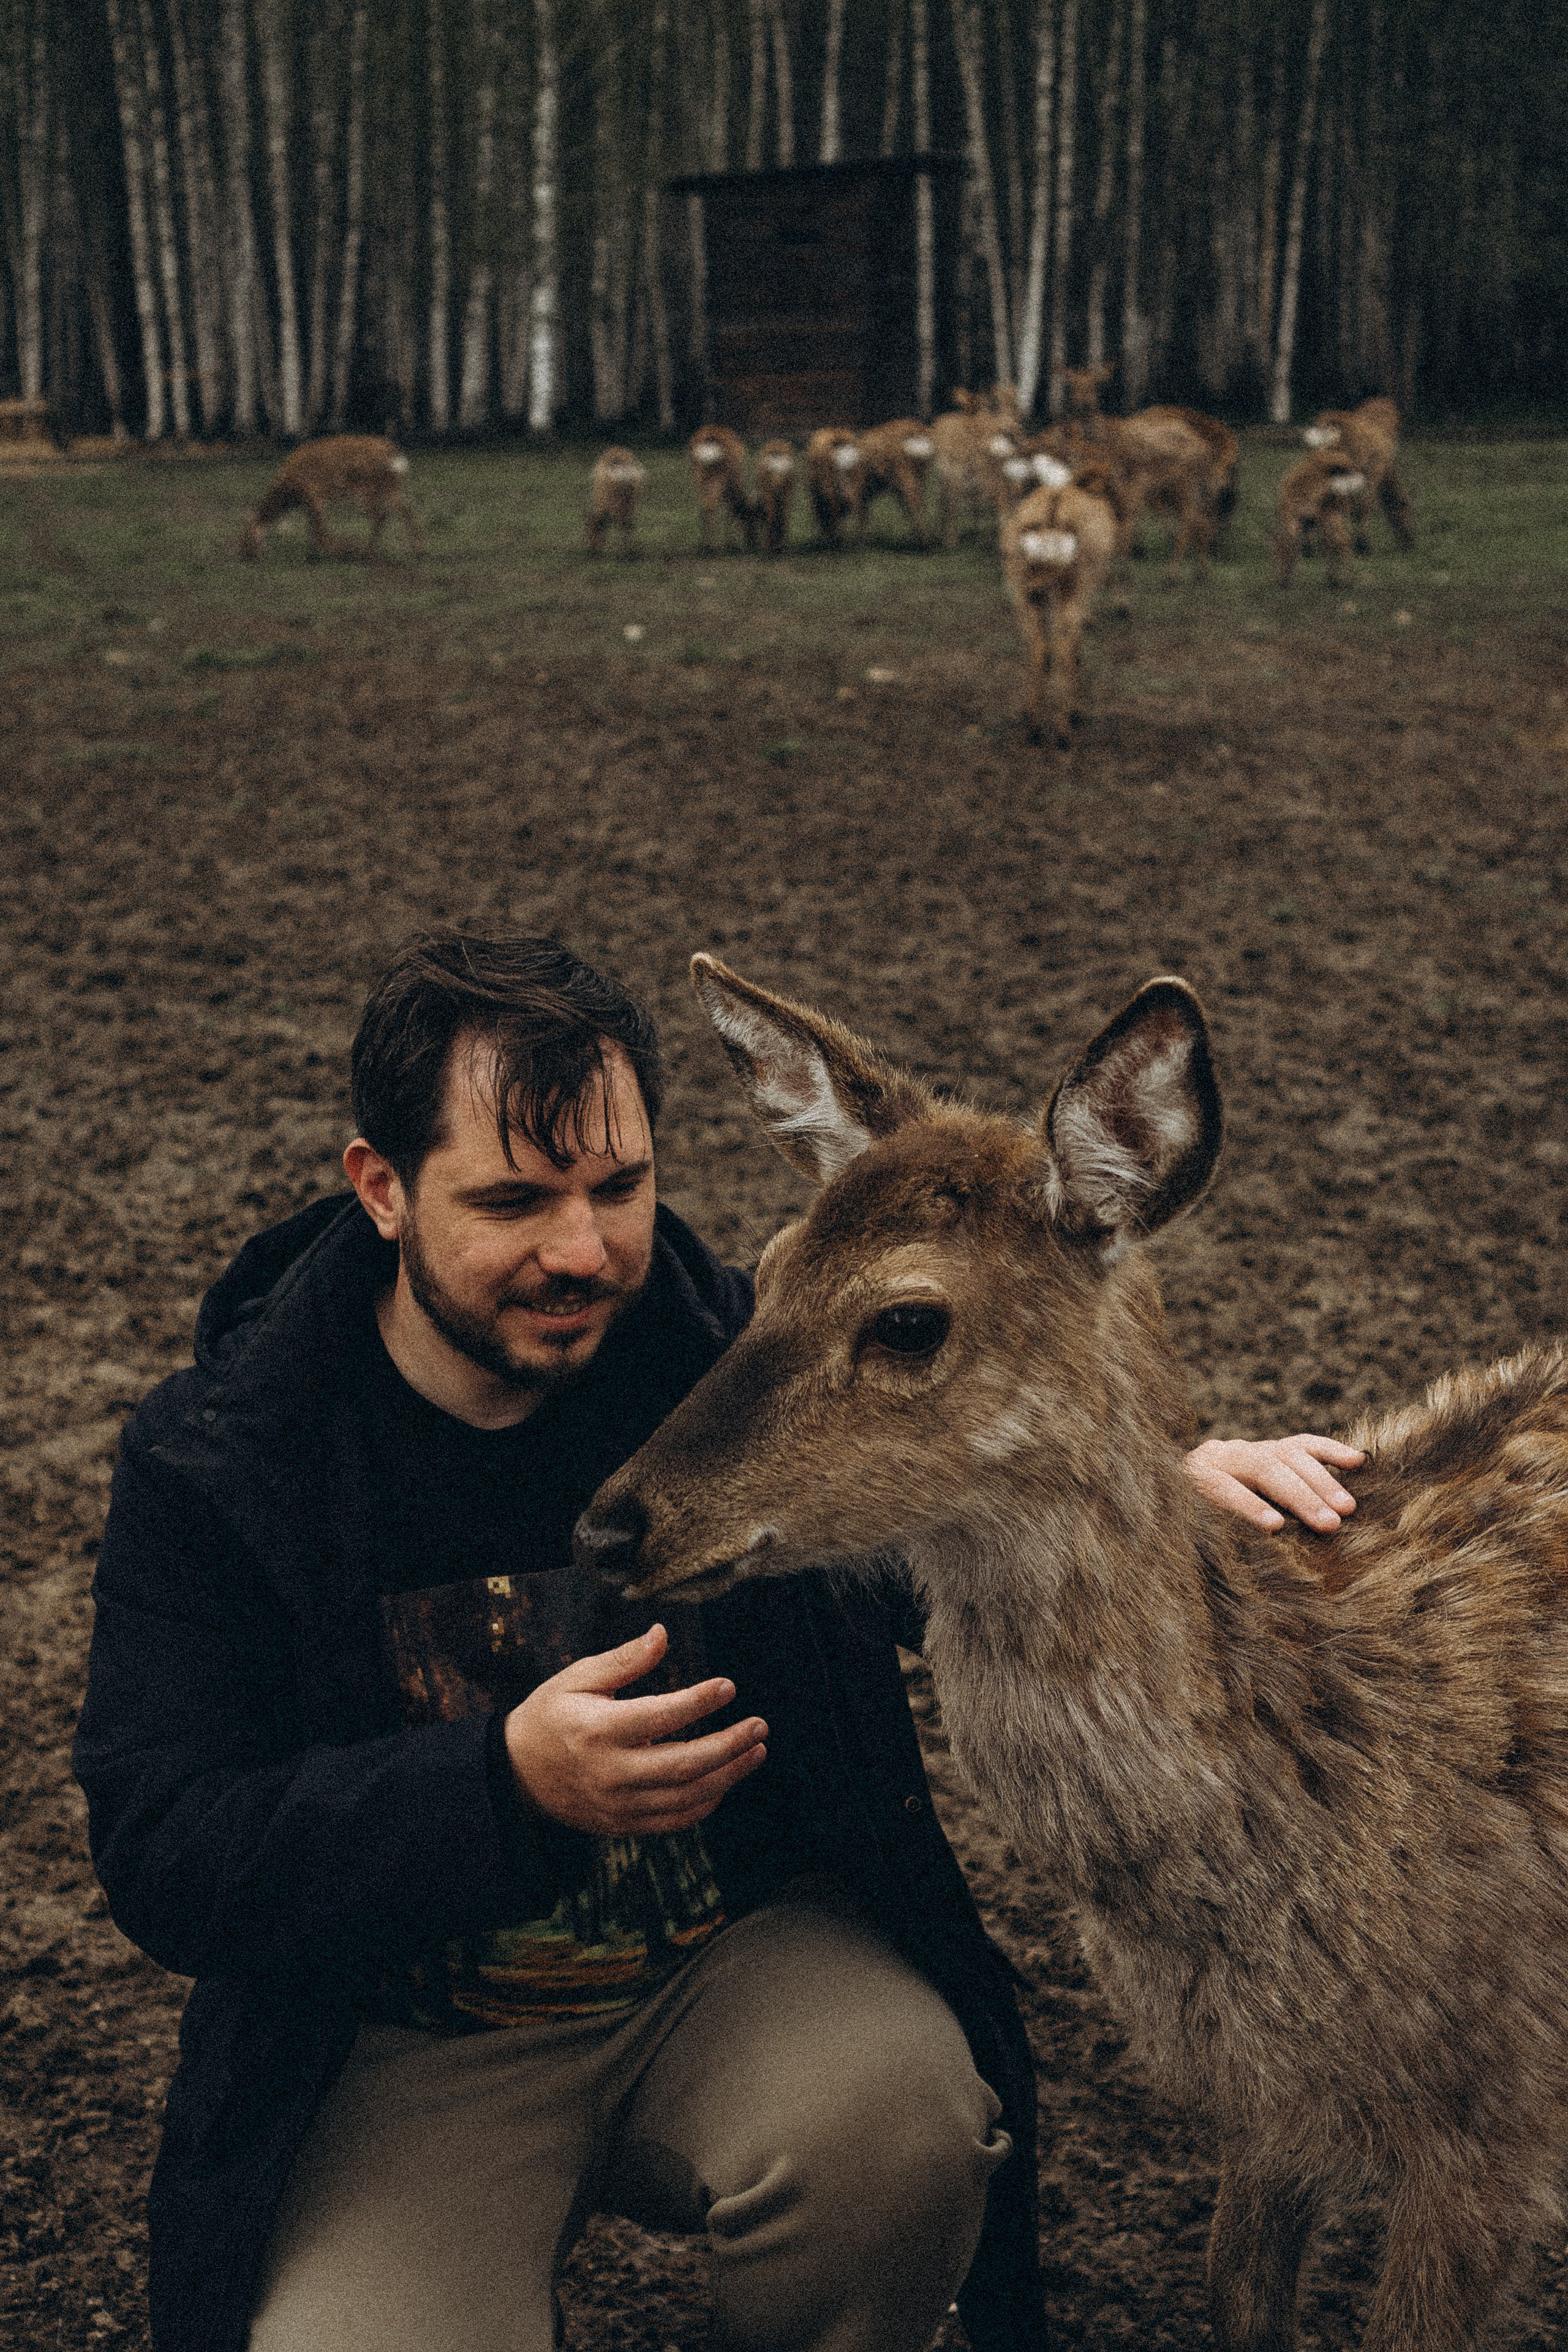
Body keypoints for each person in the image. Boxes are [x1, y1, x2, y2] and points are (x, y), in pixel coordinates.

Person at [74, 932, 1363, 2352]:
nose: (582, 1250)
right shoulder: (224, 1460)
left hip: (728, 1968)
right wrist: (500, 1788)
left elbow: (925, 1484)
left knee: (912, 2133)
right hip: (407, 2040)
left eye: (616, 1187)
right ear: (380, 1189)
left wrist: (1134, 1488)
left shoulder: (717, 1345)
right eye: (513, 1200)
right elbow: (165, 1845)